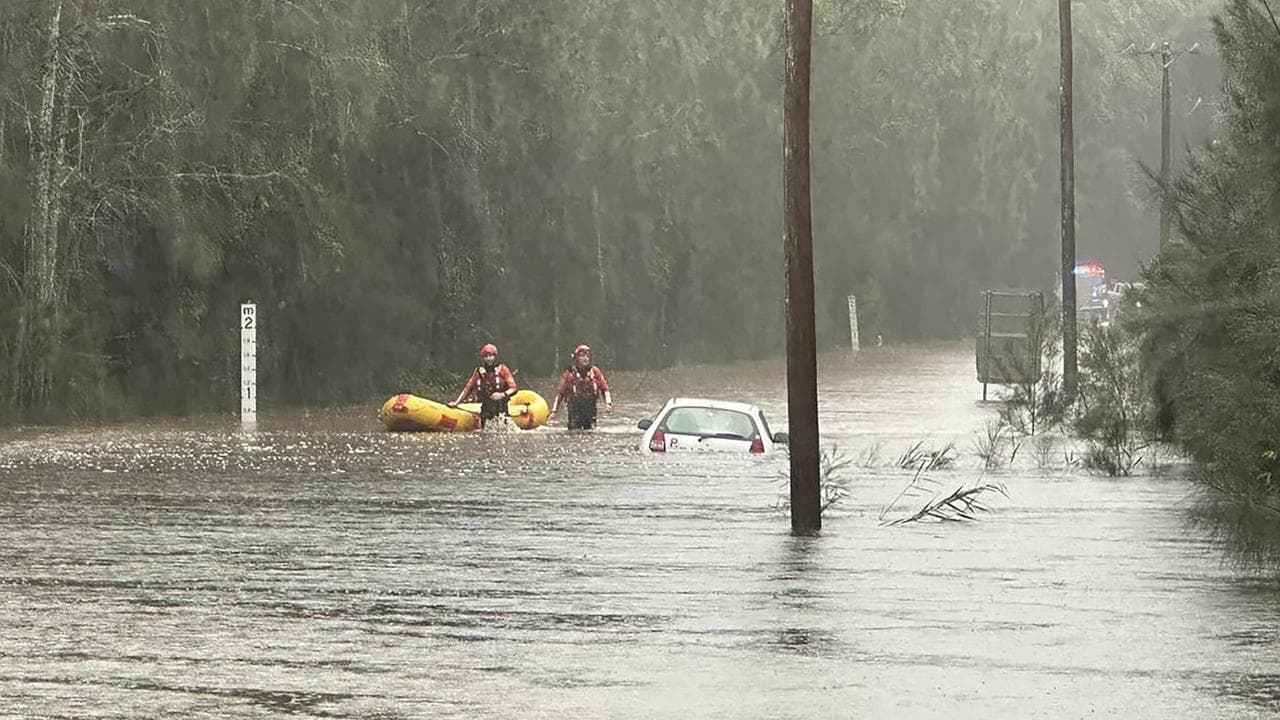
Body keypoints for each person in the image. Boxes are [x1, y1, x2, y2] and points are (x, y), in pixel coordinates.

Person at [450, 343, 517, 427]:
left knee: (501, 426)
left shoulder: (503, 369)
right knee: (485, 428)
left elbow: (513, 388)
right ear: (483, 358)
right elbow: (468, 388)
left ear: (495, 356)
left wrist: (501, 394)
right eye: (486, 356)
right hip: (486, 406)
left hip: (501, 405)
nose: (488, 358)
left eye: (491, 356)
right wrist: (456, 402)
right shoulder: (478, 372)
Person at [550, 344, 612, 430]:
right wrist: (554, 411)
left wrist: (608, 403)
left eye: (587, 356)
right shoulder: (570, 374)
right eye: (582, 356)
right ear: (577, 358)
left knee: (590, 431)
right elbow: (560, 394)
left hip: (590, 408)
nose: (585, 358)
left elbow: (605, 389)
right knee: (574, 431)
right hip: (574, 409)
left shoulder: (595, 372)